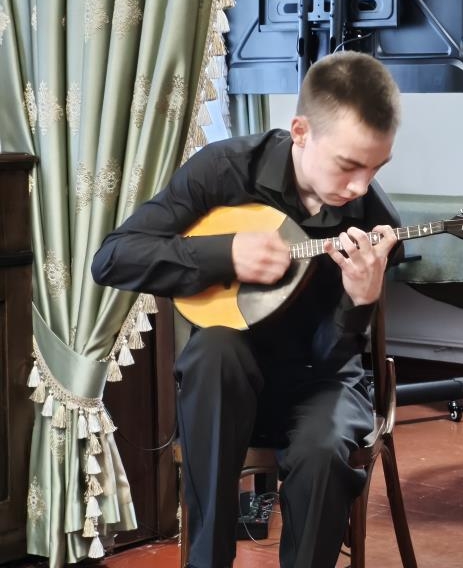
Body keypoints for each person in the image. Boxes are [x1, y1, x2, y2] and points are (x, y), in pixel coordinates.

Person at [92, 52, 401, 568]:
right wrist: (225, 255)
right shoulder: (225, 170)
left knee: (322, 450)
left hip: (322, 383)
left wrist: (360, 301)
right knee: (214, 349)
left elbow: (333, 360)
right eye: (349, 165)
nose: (361, 187)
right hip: (225, 389)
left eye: (377, 168)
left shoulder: (371, 215)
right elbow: (113, 258)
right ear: (301, 132)